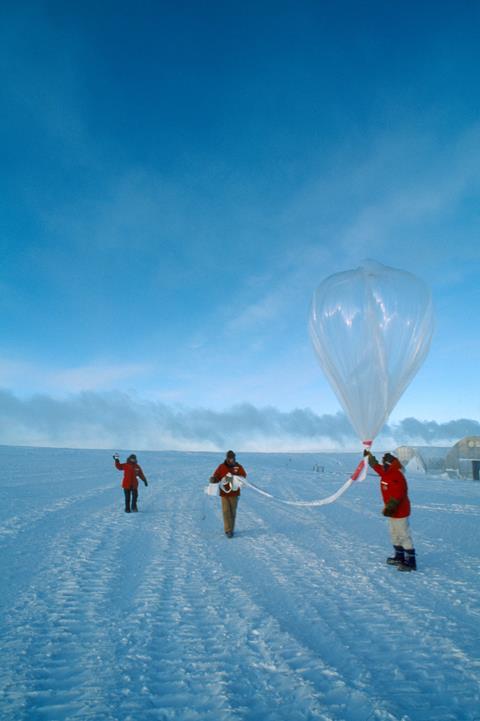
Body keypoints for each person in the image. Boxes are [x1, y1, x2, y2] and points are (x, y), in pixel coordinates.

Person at [364, 450, 416, 571]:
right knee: (394, 534)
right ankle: (399, 557)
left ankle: (411, 561)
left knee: (404, 535)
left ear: (390, 464)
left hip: (400, 511)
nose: (383, 465)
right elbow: (377, 468)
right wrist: (369, 457)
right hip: (392, 511)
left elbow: (399, 493)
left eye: (385, 463)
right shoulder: (387, 472)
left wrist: (391, 507)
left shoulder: (396, 475)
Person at [209, 450, 247, 538]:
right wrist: (214, 479)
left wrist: (238, 478)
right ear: (227, 458)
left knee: (232, 512)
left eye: (232, 458)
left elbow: (244, 476)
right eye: (229, 458)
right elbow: (216, 476)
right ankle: (228, 530)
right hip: (224, 494)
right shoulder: (221, 467)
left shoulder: (238, 467)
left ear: (234, 458)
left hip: (234, 493)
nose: (231, 460)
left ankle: (231, 529)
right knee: (226, 511)